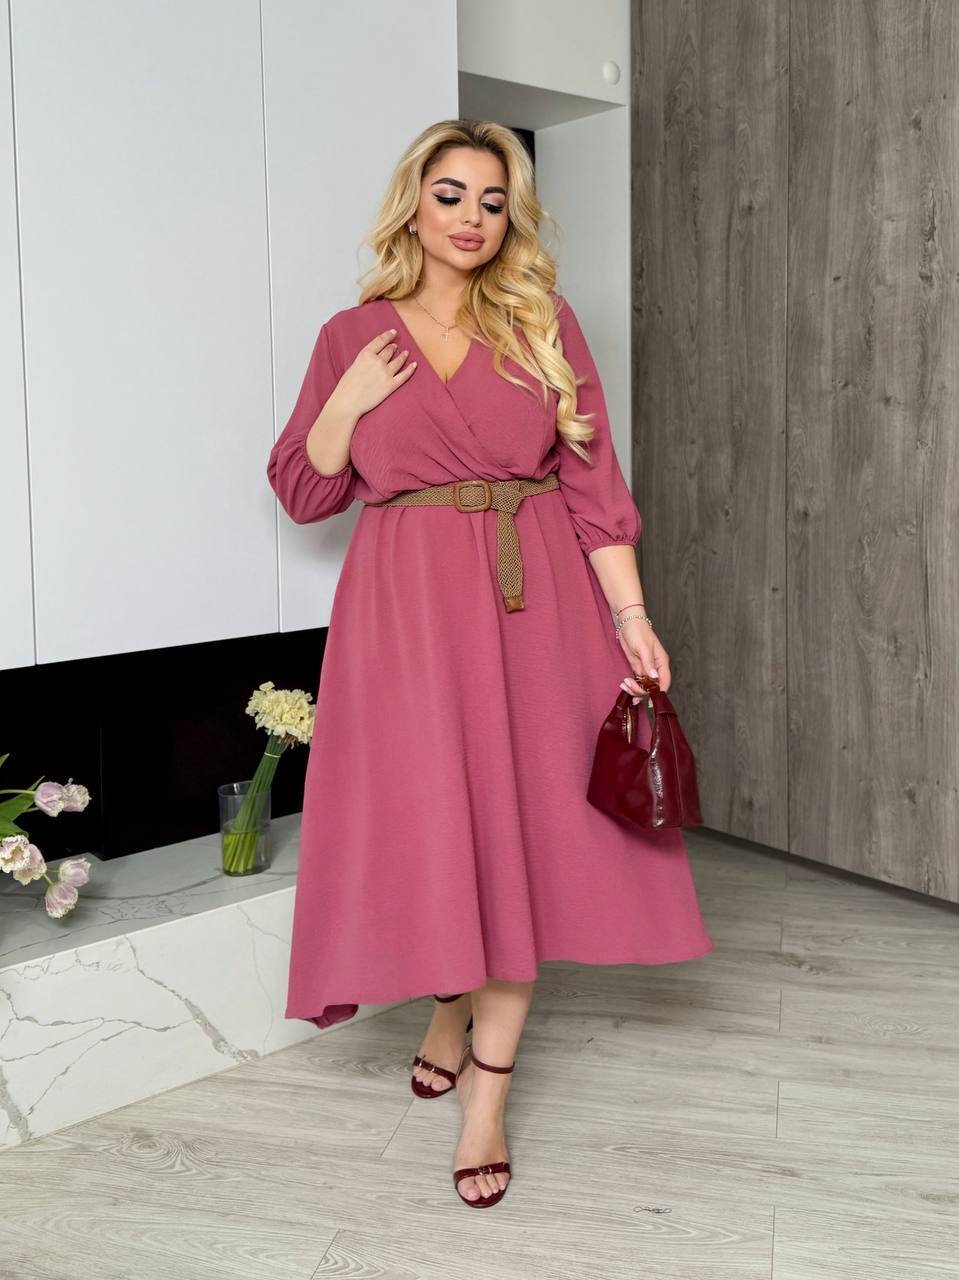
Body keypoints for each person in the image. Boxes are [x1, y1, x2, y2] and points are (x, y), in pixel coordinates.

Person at [267, 118, 713, 1209]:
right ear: (412, 205)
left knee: (523, 829)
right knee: (437, 823)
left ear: (510, 217)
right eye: (451, 194)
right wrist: (346, 399)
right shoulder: (350, 336)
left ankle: (487, 1097)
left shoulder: (541, 322)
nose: (471, 217)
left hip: (533, 602)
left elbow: (592, 485)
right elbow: (305, 490)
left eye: (493, 200)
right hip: (405, 612)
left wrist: (630, 615)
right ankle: (446, 1005)